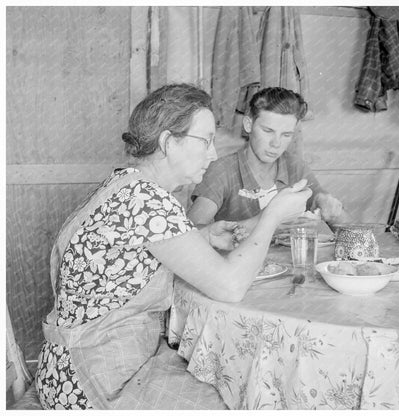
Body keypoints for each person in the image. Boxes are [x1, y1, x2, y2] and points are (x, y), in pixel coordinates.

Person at [35, 83, 312, 410]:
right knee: (247, 396)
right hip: (94, 383)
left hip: (74, 366)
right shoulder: (147, 201)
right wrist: (273, 215)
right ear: (168, 142)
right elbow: (232, 286)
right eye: (206, 141)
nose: (212, 153)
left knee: (235, 381)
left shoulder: (127, 185)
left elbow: (138, 251)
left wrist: (204, 235)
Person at [188, 87, 350, 232]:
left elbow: (347, 226)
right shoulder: (221, 170)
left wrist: (329, 206)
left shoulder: (295, 166)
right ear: (248, 124)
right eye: (267, 131)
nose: (276, 143)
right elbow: (191, 232)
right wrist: (268, 218)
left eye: (286, 135)